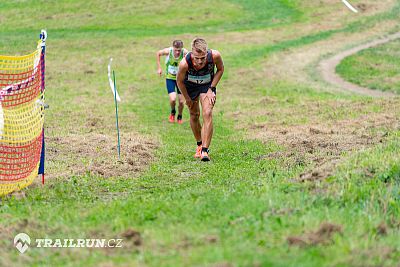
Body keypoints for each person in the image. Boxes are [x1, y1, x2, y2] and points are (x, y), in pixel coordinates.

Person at [176, 38, 224, 161]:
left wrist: (212, 88)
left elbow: (220, 69)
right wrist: (187, 98)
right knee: (194, 114)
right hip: (190, 86)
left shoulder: (215, 56)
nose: (199, 61)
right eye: (196, 58)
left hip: (206, 86)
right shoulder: (184, 63)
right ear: (192, 53)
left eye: (202, 58)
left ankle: (204, 151)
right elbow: (179, 81)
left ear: (206, 52)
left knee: (207, 113)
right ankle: (199, 144)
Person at [156, 40, 188, 124]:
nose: (177, 52)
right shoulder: (168, 51)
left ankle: (180, 115)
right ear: (173, 48)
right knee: (173, 99)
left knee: (181, 101)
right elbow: (158, 53)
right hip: (170, 78)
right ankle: (173, 112)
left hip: (181, 80)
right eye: (176, 50)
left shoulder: (185, 53)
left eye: (179, 50)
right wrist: (159, 68)